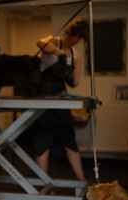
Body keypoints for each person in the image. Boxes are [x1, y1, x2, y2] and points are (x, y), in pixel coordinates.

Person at [33, 18, 88, 181]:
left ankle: (82, 181)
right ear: (68, 32)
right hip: (43, 96)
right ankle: (45, 184)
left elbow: (75, 82)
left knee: (69, 140)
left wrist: (67, 72)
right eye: (75, 36)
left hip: (61, 99)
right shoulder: (53, 41)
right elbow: (39, 42)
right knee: (43, 142)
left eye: (80, 38)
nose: (76, 40)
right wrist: (58, 53)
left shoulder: (76, 56)